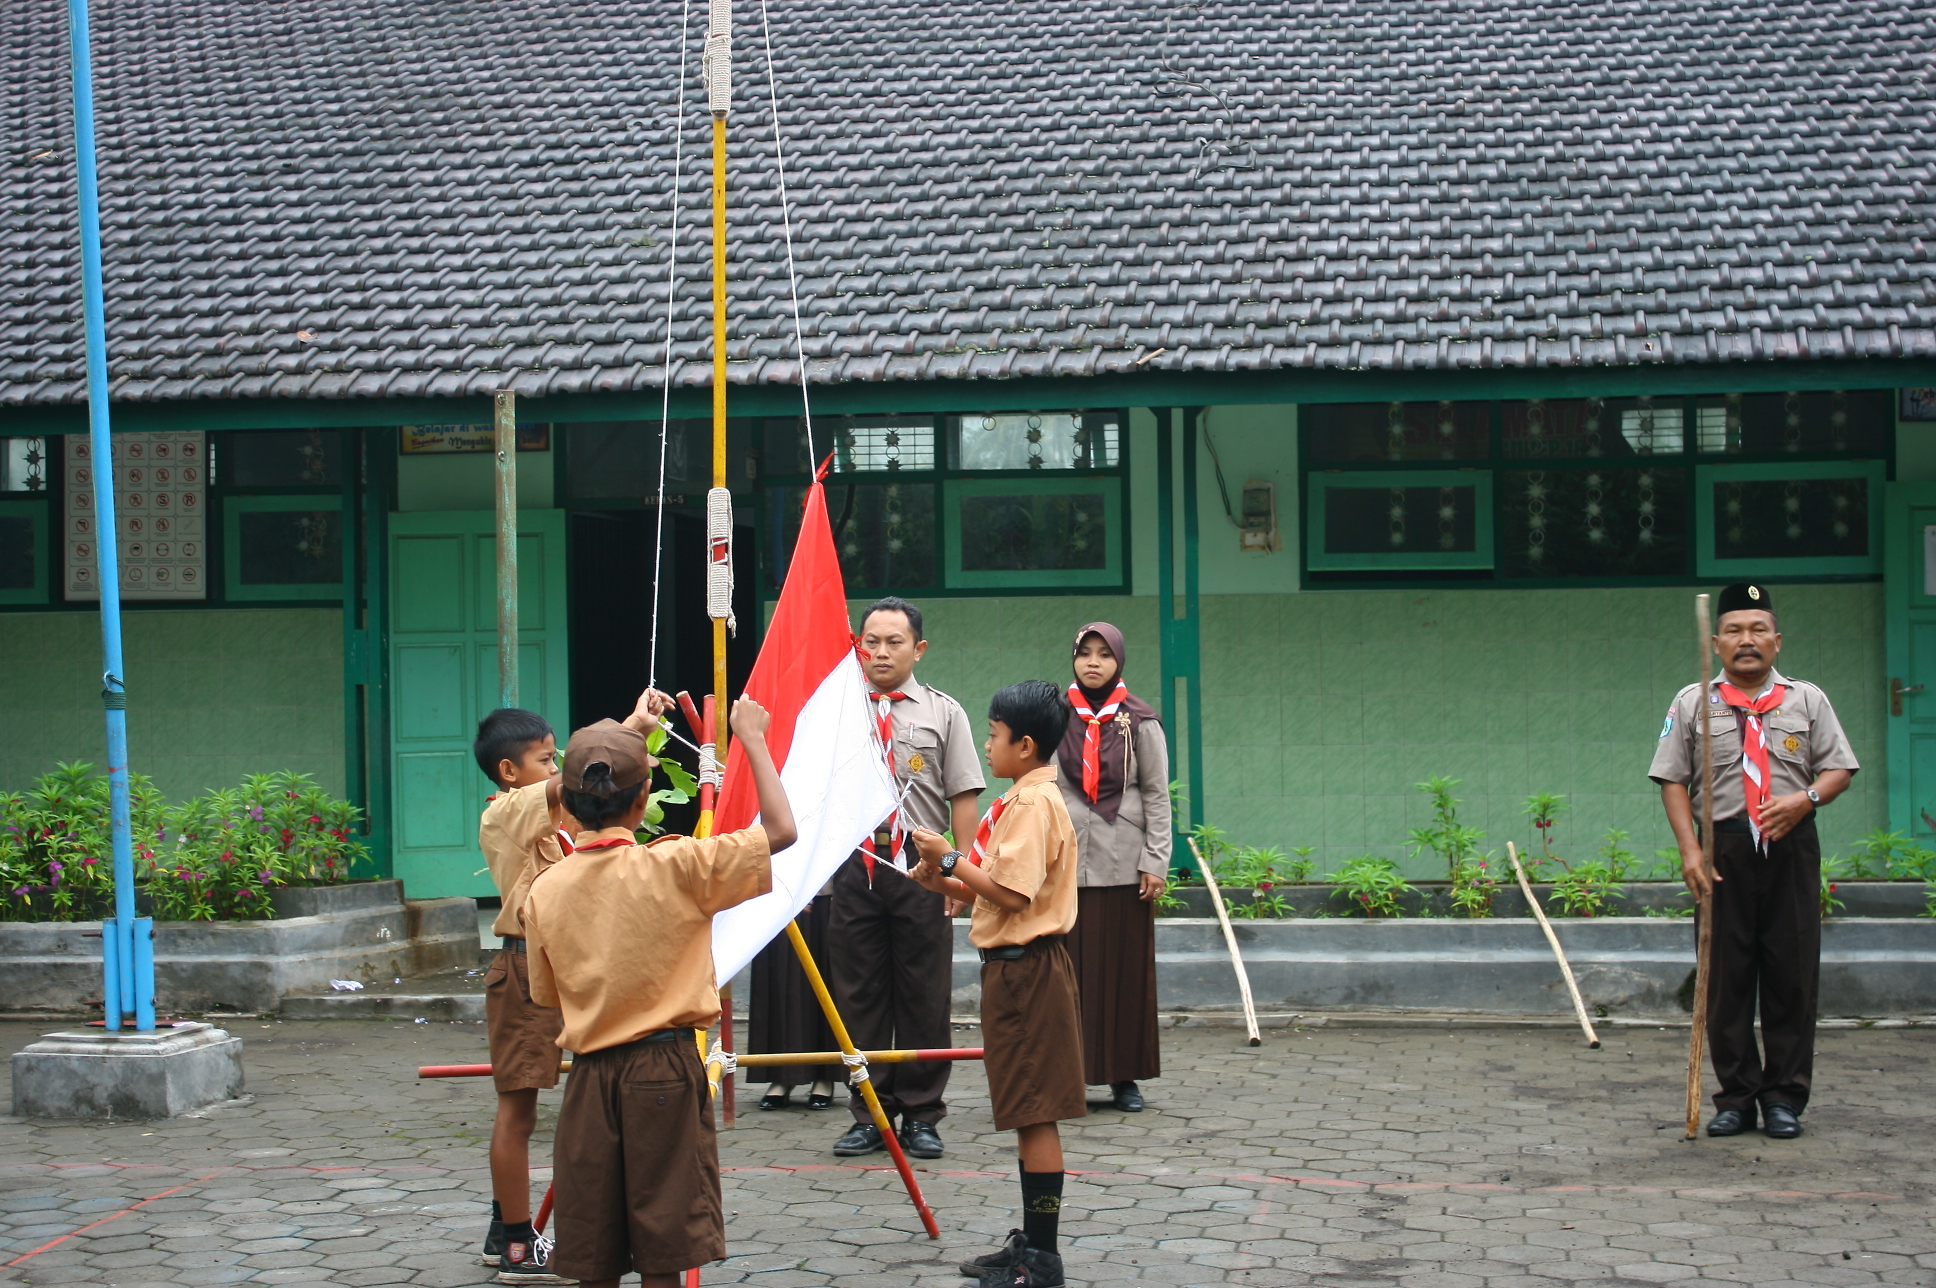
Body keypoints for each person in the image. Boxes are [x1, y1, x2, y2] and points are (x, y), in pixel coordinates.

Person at [524, 701, 795, 1288]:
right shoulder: (678, 865)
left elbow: (546, 998)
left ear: (565, 808)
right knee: (664, 1250)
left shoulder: (544, 890)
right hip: (666, 1070)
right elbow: (781, 832)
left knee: (591, 1250)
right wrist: (751, 738)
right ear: (644, 800)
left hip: (590, 1074)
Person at [1649, 582, 1858, 1141]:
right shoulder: (1692, 701)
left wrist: (1805, 799)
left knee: (1792, 975)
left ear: (1777, 640)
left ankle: (1785, 1098)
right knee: (1726, 978)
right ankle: (1736, 1098)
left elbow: (1838, 768)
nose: (1747, 641)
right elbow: (1671, 779)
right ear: (1717, 643)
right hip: (1723, 851)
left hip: (1791, 846)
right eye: (1735, 631)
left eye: (1758, 630)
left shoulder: (1806, 699)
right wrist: (1690, 850)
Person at [910, 680, 1085, 1288]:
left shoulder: (1034, 805)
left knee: (1035, 1112)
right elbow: (986, 888)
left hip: (1028, 970)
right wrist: (939, 878)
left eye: (994, 734)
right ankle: (1031, 1245)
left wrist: (953, 859)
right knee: (1024, 1109)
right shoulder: (1019, 799)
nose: (987, 745)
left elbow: (1012, 894)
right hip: (1014, 970)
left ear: (1027, 744)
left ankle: (1042, 1260)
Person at [826, 596, 985, 1160]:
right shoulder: (837, 712)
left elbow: (962, 797)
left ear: (918, 649)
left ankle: (922, 1114)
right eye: (872, 641)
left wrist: (961, 877)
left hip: (921, 874)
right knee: (859, 996)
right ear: (857, 645)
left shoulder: (944, 712)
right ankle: (870, 1112)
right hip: (856, 869)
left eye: (895, 642)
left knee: (922, 995)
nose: (881, 652)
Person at [1057, 622, 1169, 1113]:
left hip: (1125, 862)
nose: (1094, 663)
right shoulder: (1054, 717)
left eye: (1104, 654)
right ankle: (1070, 1074)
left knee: (1125, 973)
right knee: (1068, 974)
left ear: (1118, 660)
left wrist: (1156, 861)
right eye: (1085, 653)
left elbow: (1156, 795)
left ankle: (1125, 1077)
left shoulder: (1140, 720)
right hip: (1066, 865)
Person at [748, 897, 839, 1109]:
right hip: (780, 889)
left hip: (827, 889)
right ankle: (781, 1074)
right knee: (781, 980)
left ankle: (825, 1075)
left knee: (825, 974)